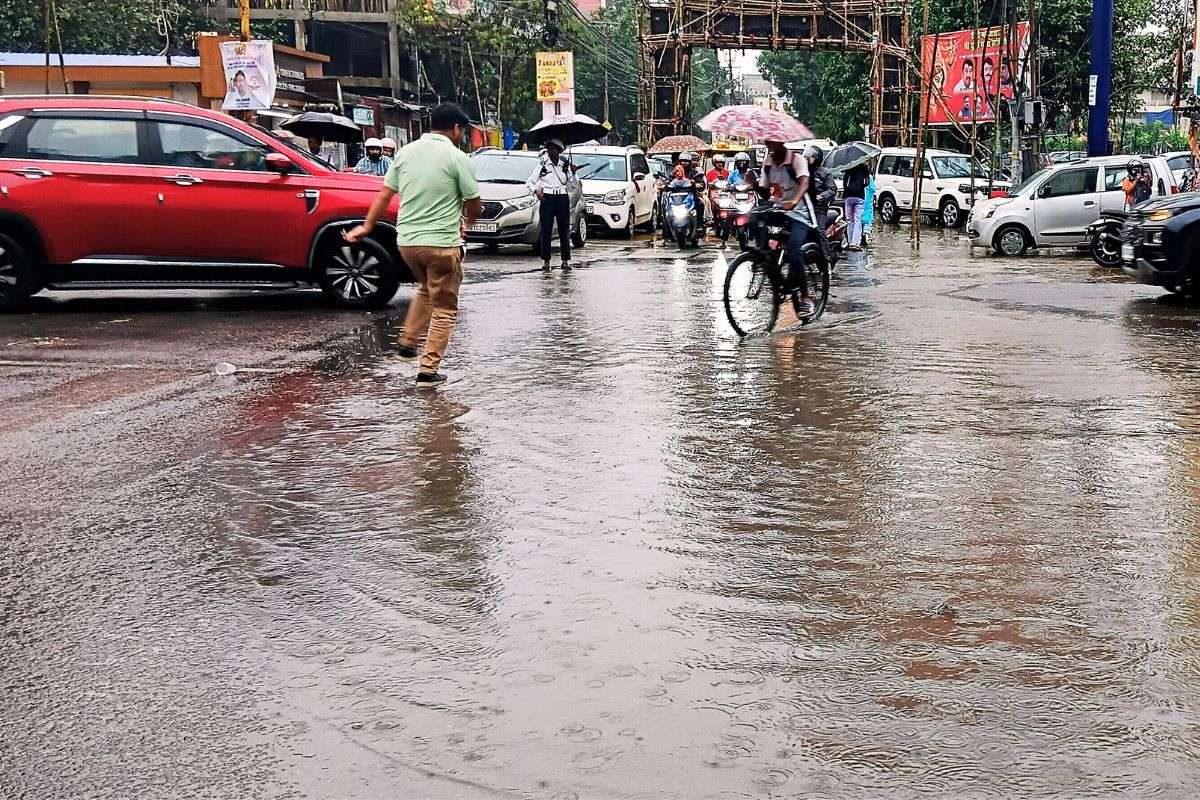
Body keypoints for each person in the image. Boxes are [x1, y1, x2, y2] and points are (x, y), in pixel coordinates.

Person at [343, 103, 482, 389]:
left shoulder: (405, 153)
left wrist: (365, 228)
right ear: (456, 129)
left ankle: (408, 340)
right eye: (462, 131)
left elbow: (384, 195)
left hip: (406, 242)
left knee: (425, 288)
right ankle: (428, 371)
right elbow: (474, 203)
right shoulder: (457, 158)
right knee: (445, 307)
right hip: (441, 244)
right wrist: (468, 223)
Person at [757, 138, 818, 316]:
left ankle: (806, 296)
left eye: (773, 141)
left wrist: (794, 201)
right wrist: (752, 183)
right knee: (756, 228)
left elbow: (804, 183)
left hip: (800, 215)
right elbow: (765, 190)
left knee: (793, 252)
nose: (770, 144)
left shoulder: (796, 160)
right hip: (777, 212)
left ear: (781, 141)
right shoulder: (768, 163)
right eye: (767, 141)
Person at [527, 137, 580, 271]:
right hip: (547, 198)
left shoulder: (565, 165)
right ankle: (546, 261)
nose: (551, 151)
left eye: (554, 149)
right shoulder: (543, 164)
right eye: (549, 148)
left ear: (559, 150)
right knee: (546, 230)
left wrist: (574, 172)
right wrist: (536, 192)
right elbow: (530, 181)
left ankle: (565, 260)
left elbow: (573, 185)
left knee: (564, 230)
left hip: (562, 197)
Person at [660, 151, 706, 241]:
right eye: (682, 161)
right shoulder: (674, 172)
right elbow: (667, 181)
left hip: (690, 196)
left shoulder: (694, 173)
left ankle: (699, 225)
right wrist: (664, 185)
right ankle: (666, 229)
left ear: (690, 162)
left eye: (686, 161)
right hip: (675, 197)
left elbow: (701, 183)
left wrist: (698, 184)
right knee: (665, 208)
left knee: (700, 204)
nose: (684, 163)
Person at [842, 160, 870, 251]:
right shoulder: (864, 168)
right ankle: (855, 243)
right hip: (859, 196)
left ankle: (850, 242)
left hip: (848, 196)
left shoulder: (848, 166)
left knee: (850, 220)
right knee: (858, 220)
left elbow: (844, 183)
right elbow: (866, 182)